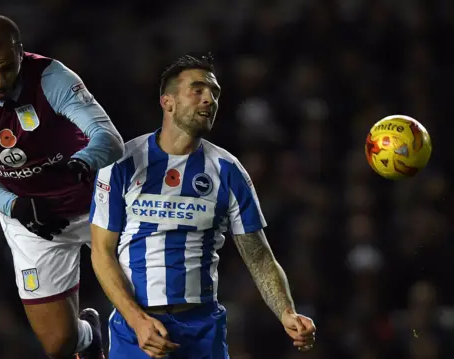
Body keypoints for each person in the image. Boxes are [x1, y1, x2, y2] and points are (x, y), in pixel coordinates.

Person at [89, 54, 316, 358]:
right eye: (197, 90)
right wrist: (136, 319)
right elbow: (102, 252)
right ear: (167, 102)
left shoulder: (227, 170)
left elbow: (260, 257)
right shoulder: (122, 163)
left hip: (202, 327)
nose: (209, 99)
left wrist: (287, 312)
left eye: (215, 93)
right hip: (137, 325)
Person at [0, 15, 124, 359]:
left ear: (21, 54)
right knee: (59, 344)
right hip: (33, 218)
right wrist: (15, 207)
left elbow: (110, 139)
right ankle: (89, 335)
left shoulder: (53, 78)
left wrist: (83, 161)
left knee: (146, 305)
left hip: (96, 203)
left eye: (7, 68)